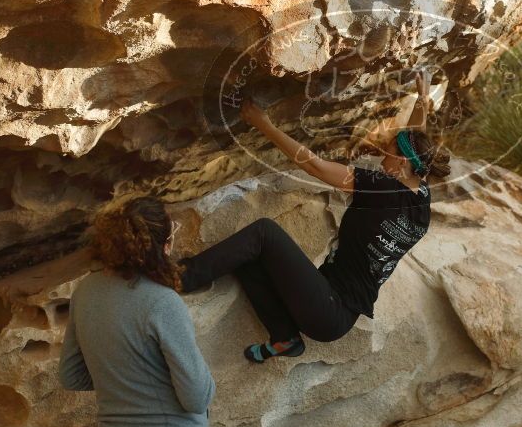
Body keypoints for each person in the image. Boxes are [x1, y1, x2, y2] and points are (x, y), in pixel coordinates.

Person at [179, 72, 451, 363]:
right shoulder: (421, 197)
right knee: (247, 259)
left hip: (328, 307)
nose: (383, 152)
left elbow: (316, 167)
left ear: (401, 162)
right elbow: (416, 146)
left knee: (264, 233)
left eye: (389, 150)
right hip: (336, 312)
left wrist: (262, 123)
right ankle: (284, 338)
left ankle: (180, 278)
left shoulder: (381, 188)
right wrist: (422, 99)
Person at [59, 197, 215, 427]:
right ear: (164, 246)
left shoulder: (84, 292)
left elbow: (71, 375)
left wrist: (125, 383)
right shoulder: (162, 303)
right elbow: (196, 397)